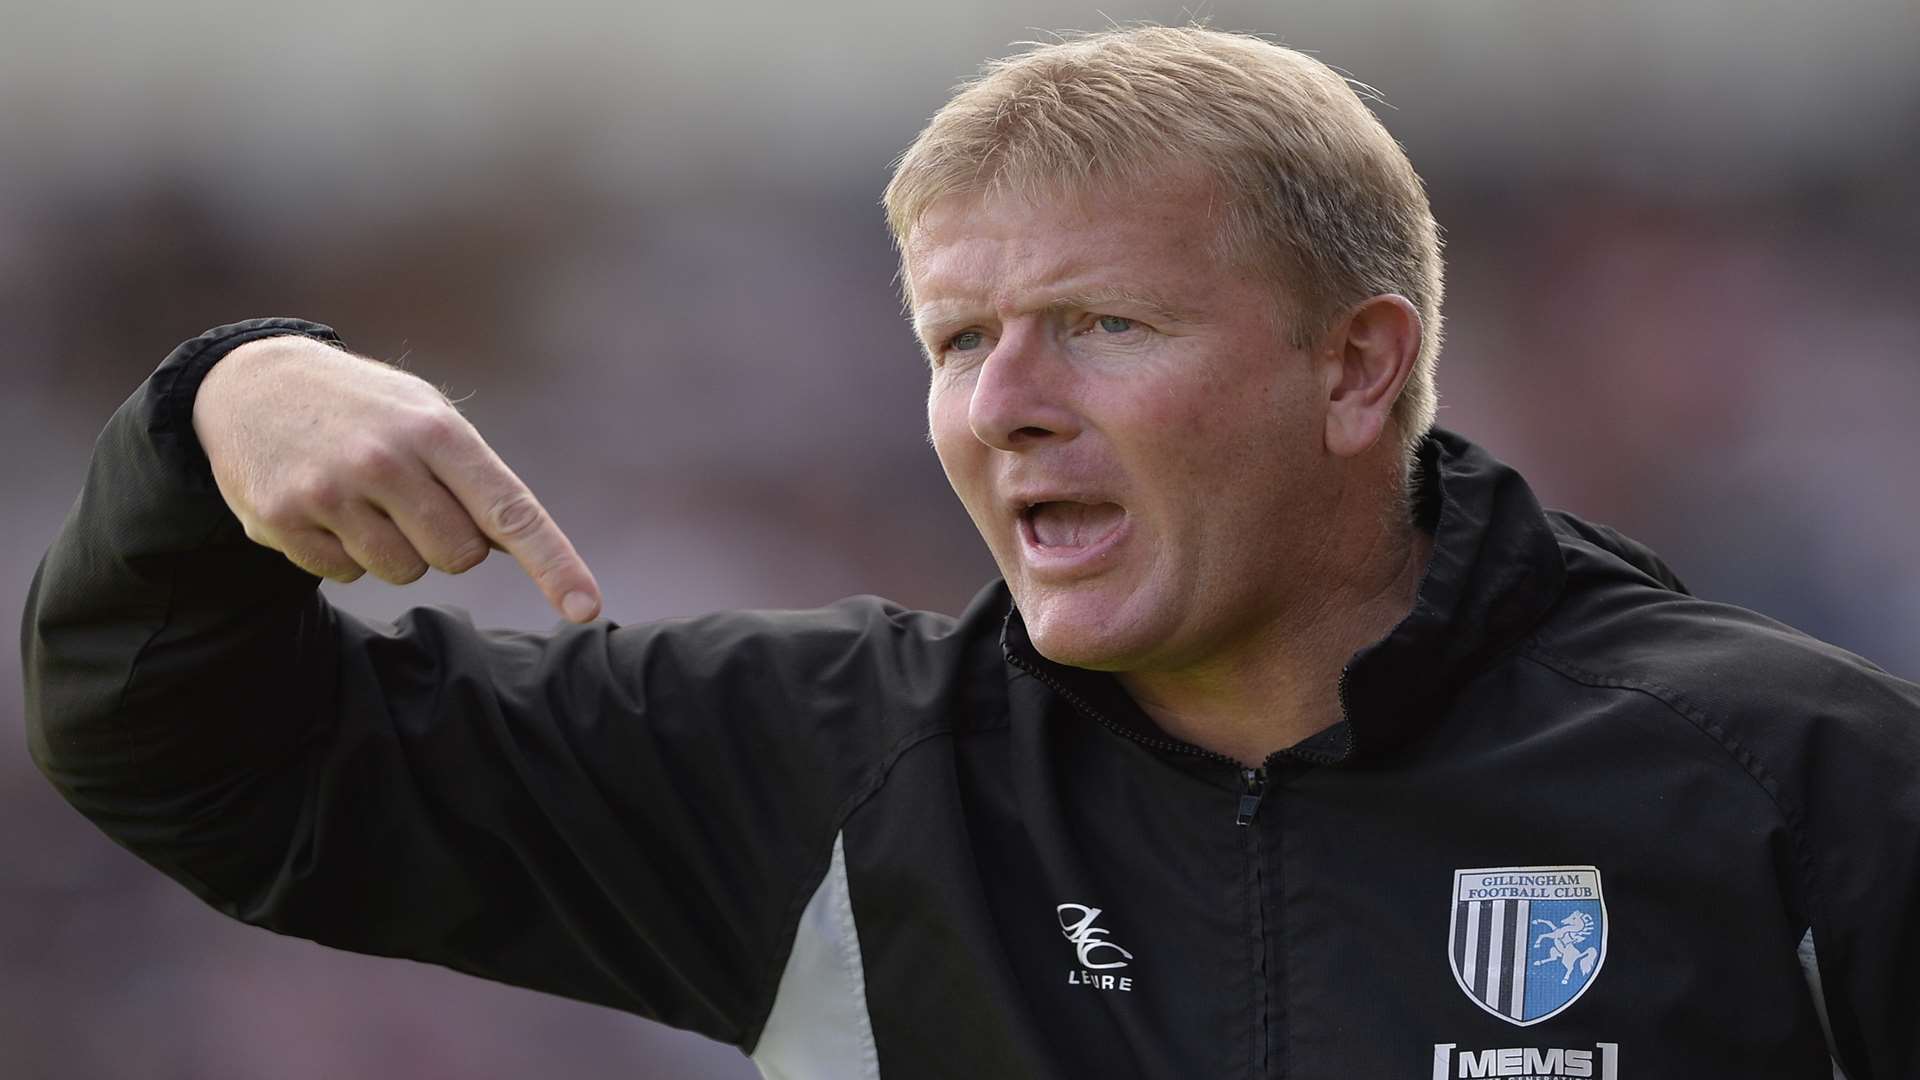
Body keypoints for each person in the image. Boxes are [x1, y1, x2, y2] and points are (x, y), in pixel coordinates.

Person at [21, 24, 1917, 1080]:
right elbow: (195, 754)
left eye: (1100, 324)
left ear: (1358, 369)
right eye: (953, 340)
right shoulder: (837, 773)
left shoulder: (1796, 786)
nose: (1000, 402)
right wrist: (218, 409)